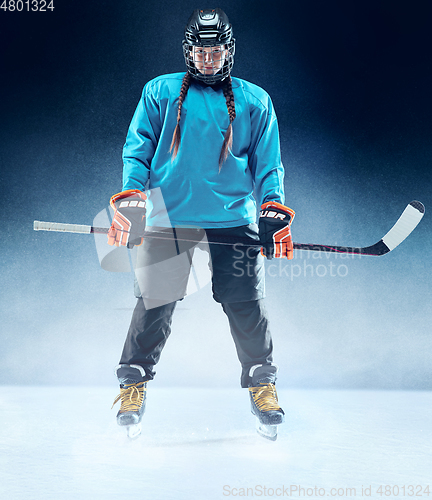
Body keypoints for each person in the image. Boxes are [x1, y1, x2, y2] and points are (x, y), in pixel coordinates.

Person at [108, 8, 295, 440]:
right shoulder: (159, 92)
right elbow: (136, 149)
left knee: (247, 304)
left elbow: (270, 166)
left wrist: (273, 208)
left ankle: (262, 385)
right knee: (154, 304)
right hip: (168, 219)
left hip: (232, 220)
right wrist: (133, 196)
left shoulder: (255, 100)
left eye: (215, 52)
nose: (207, 60)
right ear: (188, 52)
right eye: (200, 52)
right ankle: (132, 385)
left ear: (228, 52)